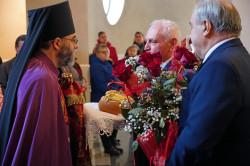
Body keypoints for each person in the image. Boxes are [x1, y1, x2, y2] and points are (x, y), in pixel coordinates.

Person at [167, 0, 250, 165]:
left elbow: (196, 140)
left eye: (192, 27)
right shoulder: (239, 56)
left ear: (206, 26)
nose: (189, 37)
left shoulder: (220, 66)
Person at [0, 1, 78, 165]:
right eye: (73, 40)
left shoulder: (39, 68)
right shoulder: (42, 78)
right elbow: (40, 146)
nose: (76, 45)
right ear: (57, 43)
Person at [90, 44, 122, 155]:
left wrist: (120, 88)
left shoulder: (108, 64)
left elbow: (115, 78)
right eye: (103, 52)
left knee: (115, 122)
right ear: (97, 54)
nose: (106, 54)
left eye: (107, 52)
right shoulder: (95, 65)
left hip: (112, 96)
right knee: (104, 123)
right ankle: (108, 146)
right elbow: (101, 83)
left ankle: (112, 143)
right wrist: (115, 92)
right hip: (101, 97)